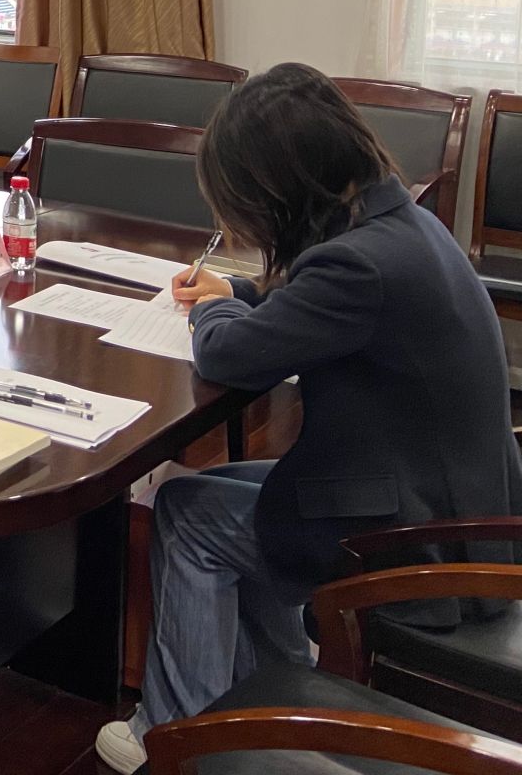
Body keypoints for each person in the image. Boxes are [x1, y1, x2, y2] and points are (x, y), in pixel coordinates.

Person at [95, 64, 522, 774]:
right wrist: (238, 292)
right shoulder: (403, 226)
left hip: (418, 545)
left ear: (275, 189)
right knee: (216, 495)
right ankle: (266, 685)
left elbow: (229, 355)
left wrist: (214, 310)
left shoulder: (358, 266)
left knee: (187, 514)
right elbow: (310, 310)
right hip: (454, 504)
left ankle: (172, 734)